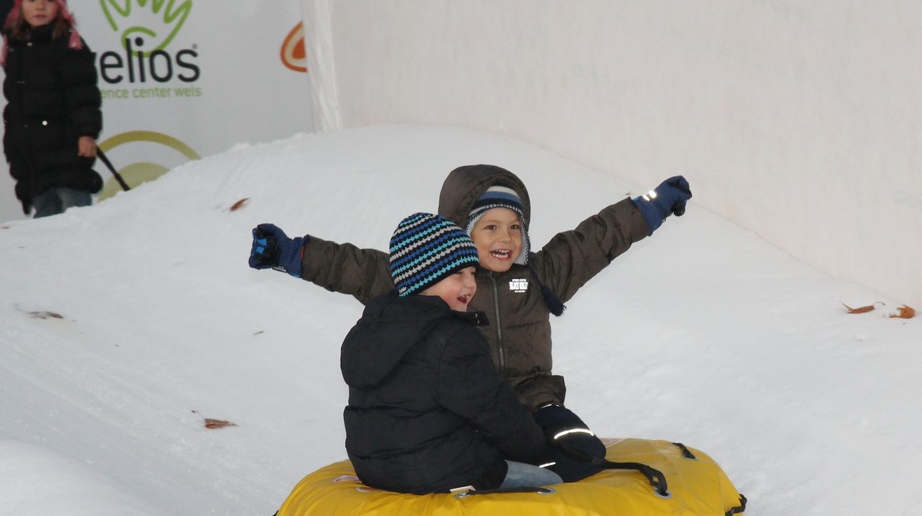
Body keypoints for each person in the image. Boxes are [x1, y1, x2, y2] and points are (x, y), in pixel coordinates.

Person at [250, 164, 691, 471]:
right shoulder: (433, 278)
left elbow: (597, 239)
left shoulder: (541, 273)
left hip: (536, 402)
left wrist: (654, 204)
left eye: (515, 227)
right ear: (460, 234)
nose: (506, 238)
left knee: (580, 453)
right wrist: (290, 253)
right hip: (464, 409)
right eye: (491, 227)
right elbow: (354, 268)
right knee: (484, 464)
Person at [341, 212, 561, 494]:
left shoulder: (371, 329)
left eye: (472, 272)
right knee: (553, 484)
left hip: (375, 470)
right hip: (443, 473)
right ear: (423, 277)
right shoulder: (451, 338)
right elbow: (495, 411)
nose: (470, 284)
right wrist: (536, 450)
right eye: (458, 273)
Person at [1, 0, 101, 218]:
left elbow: (83, 95)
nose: (40, 6)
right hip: (34, 163)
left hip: (68, 154)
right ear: (19, 6)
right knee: (45, 227)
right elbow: (15, 105)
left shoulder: (68, 44)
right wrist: (14, 147)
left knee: (75, 218)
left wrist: (86, 133)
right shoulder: (15, 49)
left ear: (62, 6)